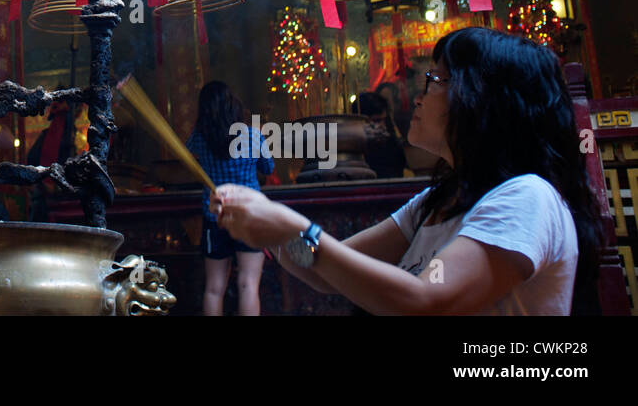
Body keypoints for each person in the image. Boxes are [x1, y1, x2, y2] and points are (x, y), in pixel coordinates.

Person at [210, 28, 603, 315]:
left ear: (482, 100)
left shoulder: (527, 197)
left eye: (435, 80)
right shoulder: (435, 202)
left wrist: (292, 227)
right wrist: (272, 234)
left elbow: (427, 300)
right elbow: (328, 273)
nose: (418, 95)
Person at [185, 81, 274, 316]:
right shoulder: (253, 136)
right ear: (233, 106)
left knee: (214, 289)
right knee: (248, 285)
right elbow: (269, 168)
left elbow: (187, 160)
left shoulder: (199, 139)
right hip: (249, 214)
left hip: (214, 216)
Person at [355, 88, 406, 179]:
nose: (382, 125)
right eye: (376, 121)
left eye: (383, 120)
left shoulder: (391, 144)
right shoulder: (354, 151)